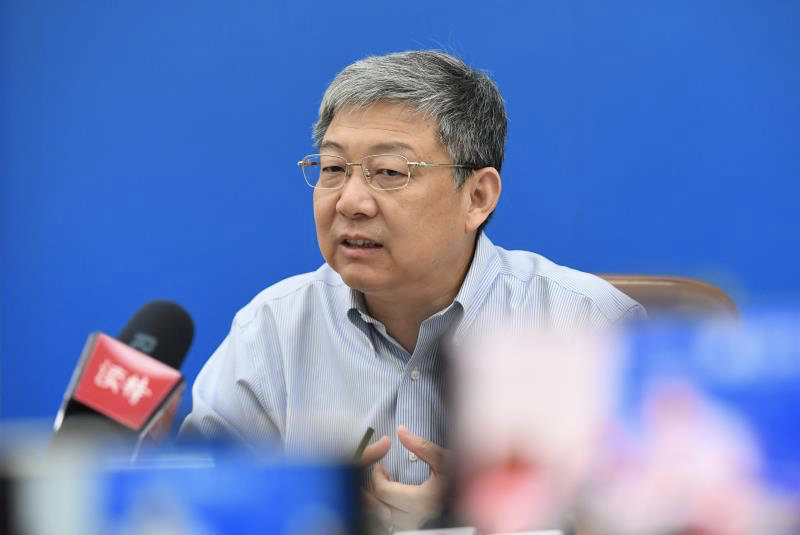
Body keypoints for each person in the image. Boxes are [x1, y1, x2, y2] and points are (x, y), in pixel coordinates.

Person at [180, 50, 643, 529]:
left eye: (389, 172)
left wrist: (480, 517)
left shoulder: (591, 327)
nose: (351, 202)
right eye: (334, 168)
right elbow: (196, 511)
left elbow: (655, 515)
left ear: (478, 197)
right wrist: (310, 507)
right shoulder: (271, 330)